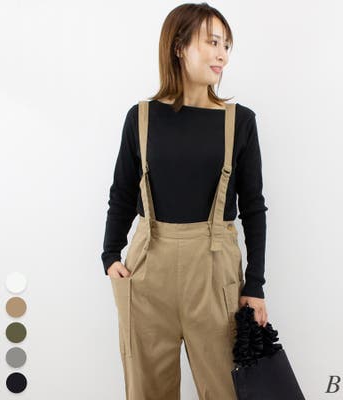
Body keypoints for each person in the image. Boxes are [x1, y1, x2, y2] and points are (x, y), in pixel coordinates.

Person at [101, 3, 269, 399]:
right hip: (147, 267)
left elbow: (254, 207)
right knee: (147, 391)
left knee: (226, 388)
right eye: (212, 42)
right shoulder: (141, 117)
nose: (222, 54)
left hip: (214, 271)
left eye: (226, 45)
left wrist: (255, 285)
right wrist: (109, 255)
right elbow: (122, 193)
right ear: (179, 47)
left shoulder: (239, 121)